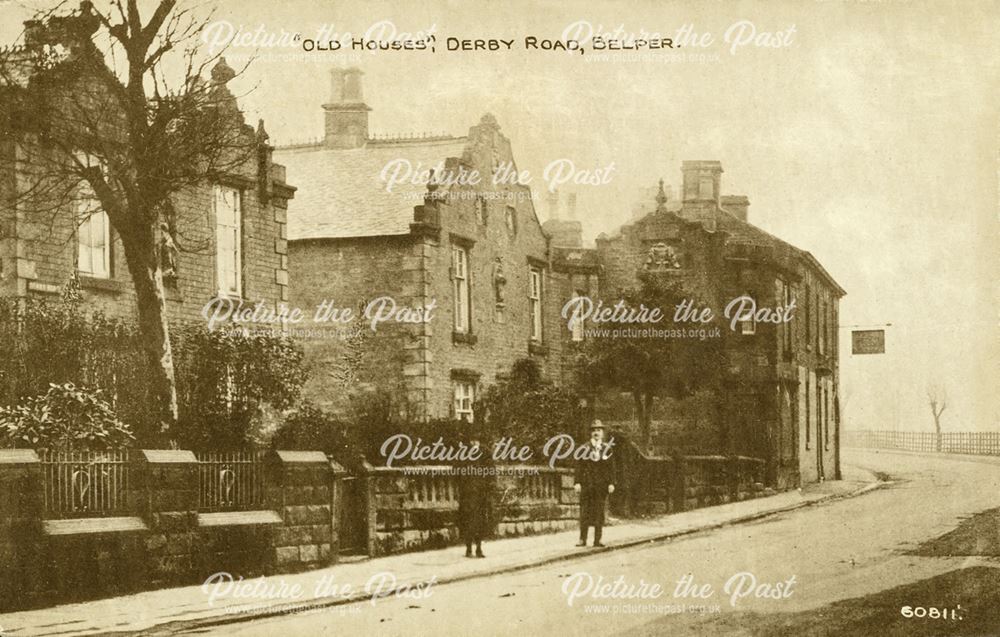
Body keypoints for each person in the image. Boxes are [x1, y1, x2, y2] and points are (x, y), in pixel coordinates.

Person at [574, 420, 615, 547]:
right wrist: (577, 482)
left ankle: (598, 539)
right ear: (591, 433)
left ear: (602, 433)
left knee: (599, 512)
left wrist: (611, 483)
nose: (596, 432)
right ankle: (582, 539)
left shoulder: (607, 449)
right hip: (587, 485)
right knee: (585, 511)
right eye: (594, 430)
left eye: (599, 430)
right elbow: (579, 467)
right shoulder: (584, 448)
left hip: (601, 487)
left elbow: (611, 468)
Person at [457, 432, 493, 558]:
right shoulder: (464, 453)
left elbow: (491, 472)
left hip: (481, 494)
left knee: (480, 521)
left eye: (476, 440)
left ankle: (478, 548)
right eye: (472, 440)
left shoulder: (486, 452)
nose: (474, 443)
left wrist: (488, 489)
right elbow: (458, 471)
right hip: (467, 494)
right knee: (467, 521)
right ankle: (468, 548)